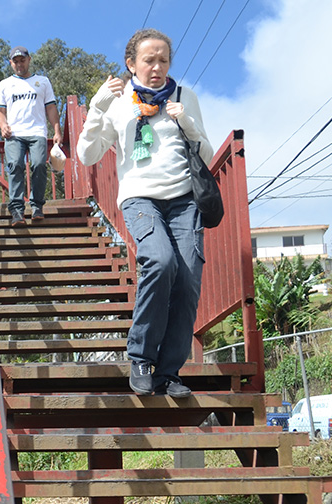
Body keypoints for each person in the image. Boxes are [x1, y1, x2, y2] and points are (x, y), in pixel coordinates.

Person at [76, 29, 214, 398]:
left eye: (163, 60)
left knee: (187, 282)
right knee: (159, 260)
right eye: (149, 60)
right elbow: (86, 155)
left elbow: (208, 155)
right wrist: (96, 107)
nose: (157, 68)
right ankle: (140, 357)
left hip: (185, 201)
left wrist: (186, 121)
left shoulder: (185, 97)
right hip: (140, 199)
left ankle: (168, 373)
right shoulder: (118, 103)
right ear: (131, 63)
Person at [0, 46, 59, 226]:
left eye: (22, 60)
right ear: (11, 63)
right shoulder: (4, 84)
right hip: (14, 133)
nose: (19, 64)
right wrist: (3, 124)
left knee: (39, 165)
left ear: (29, 60)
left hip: (37, 131)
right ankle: (17, 211)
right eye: (15, 61)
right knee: (15, 165)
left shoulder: (42, 81)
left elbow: (51, 108)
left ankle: (37, 205)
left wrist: (57, 130)